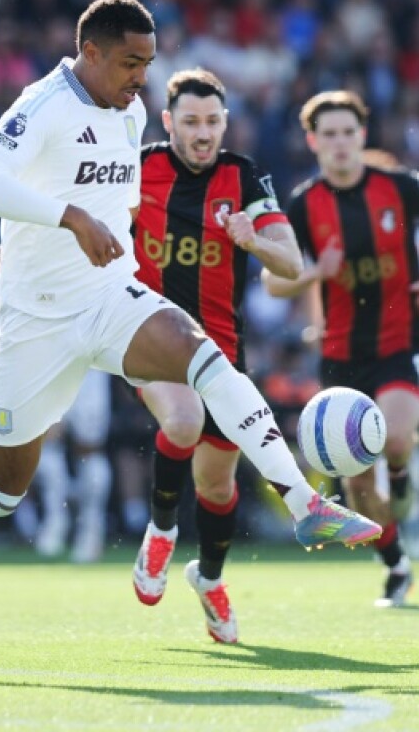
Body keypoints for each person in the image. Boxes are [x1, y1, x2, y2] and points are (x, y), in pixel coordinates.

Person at [0, 0, 382, 589]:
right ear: (90, 52)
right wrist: (60, 220)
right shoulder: (42, 105)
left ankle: (307, 505)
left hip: (108, 298)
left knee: (206, 359)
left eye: (147, 63)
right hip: (36, 320)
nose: (141, 78)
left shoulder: (130, 111)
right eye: (129, 63)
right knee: (2, 491)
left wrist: (81, 226)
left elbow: (117, 200)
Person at [264, 90, 419, 608]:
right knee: (356, 486)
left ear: (362, 136)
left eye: (347, 132)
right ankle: (396, 565)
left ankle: (401, 477)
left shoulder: (397, 187)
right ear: (313, 142)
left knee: (397, 438)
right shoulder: (303, 203)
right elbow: (273, 280)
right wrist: (316, 272)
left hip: (400, 342)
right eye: (328, 134)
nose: (339, 143)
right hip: (340, 355)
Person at [129, 68, 304, 644]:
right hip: (149, 334)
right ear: (168, 122)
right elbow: (71, 202)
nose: (202, 134)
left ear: (225, 123)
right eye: (190, 122)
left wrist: (252, 240)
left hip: (222, 351)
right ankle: (159, 532)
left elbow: (292, 264)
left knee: (219, 488)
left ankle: (208, 579)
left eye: (212, 122)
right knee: (183, 420)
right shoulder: (138, 166)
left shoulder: (245, 176)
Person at [30, 369, 113, 563]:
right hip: (52, 361)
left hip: (91, 364)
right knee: (48, 443)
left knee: (90, 449)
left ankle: (91, 529)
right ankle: (56, 519)